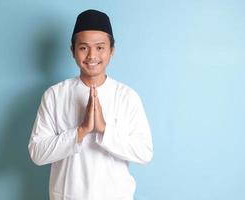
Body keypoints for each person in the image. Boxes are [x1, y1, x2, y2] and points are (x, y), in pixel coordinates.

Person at [28, 9, 153, 200]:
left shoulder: (127, 96)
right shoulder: (54, 95)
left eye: (100, 47)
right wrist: (81, 131)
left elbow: (144, 152)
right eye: (84, 47)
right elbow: (37, 153)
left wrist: (104, 129)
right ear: (72, 50)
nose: (92, 55)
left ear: (112, 50)